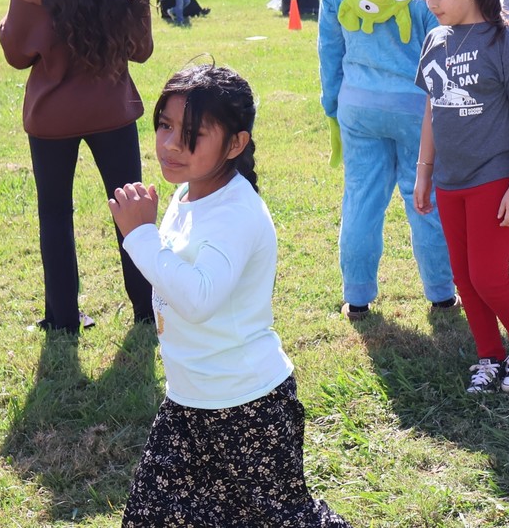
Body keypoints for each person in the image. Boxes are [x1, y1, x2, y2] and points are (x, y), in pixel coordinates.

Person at [108, 65, 351, 527]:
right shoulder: (187, 193)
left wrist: (140, 235)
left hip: (247, 408)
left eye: (192, 132)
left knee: (283, 520)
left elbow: (198, 299)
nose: (171, 143)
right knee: (151, 517)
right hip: (187, 402)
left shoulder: (236, 213)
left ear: (235, 144)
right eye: (164, 126)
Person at [0, 0, 153, 333]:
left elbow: (15, 55)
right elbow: (140, 50)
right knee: (131, 208)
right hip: (112, 110)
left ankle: (62, 318)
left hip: (51, 119)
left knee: (54, 215)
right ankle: (146, 306)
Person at [318, 0, 456, 319]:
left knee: (360, 197)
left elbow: (329, 44)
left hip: (357, 103)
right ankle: (440, 291)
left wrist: (333, 100)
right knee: (424, 198)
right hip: (418, 108)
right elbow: (444, 46)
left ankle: (356, 297)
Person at [412, 0, 509, 394]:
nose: (431, 4)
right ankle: (489, 354)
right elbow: (432, 107)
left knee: (489, 274)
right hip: (450, 180)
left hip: (494, 176)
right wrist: (424, 170)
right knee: (465, 278)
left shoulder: (504, 43)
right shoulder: (434, 40)